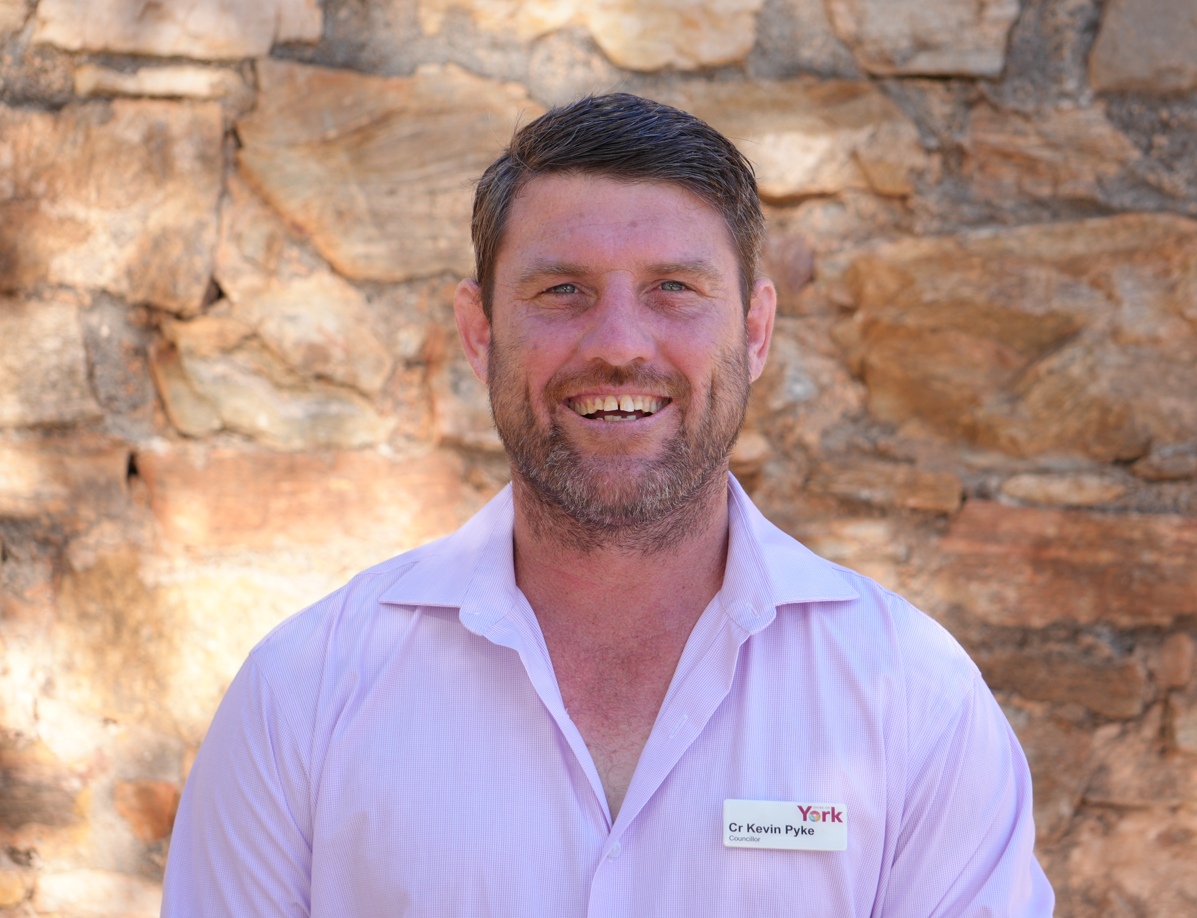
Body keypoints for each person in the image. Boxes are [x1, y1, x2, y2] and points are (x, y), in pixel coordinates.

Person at [162, 93, 1054, 916]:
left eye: (674, 288)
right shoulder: (304, 694)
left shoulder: (913, 700)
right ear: (479, 334)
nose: (620, 345)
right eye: (562, 291)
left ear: (754, 330)